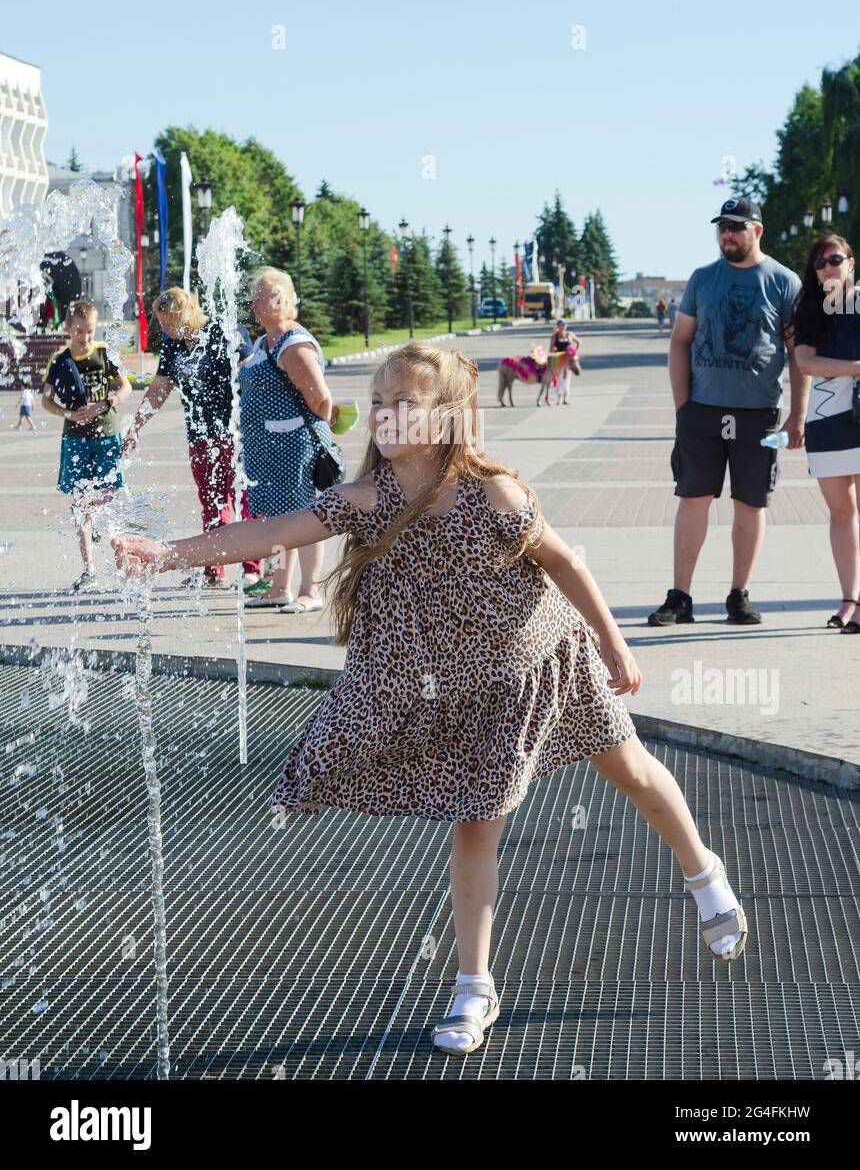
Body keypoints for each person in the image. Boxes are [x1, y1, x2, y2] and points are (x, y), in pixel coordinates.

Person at [114, 340, 749, 1060]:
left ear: (446, 417)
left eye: (402, 403)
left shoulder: (496, 495)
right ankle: (474, 986)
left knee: (628, 770)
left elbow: (565, 562)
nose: (383, 414)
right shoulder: (369, 499)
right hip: (470, 688)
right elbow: (265, 532)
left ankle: (703, 870)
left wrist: (614, 643)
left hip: (543, 660)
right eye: (378, 402)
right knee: (477, 817)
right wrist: (166, 554)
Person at [648, 197, 809, 627]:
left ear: (757, 230)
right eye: (722, 227)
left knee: (750, 503)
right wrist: (683, 404)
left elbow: (798, 353)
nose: (727, 234)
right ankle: (680, 596)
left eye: (737, 227)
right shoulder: (703, 279)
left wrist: (797, 413)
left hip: (759, 413)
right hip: (702, 410)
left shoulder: (784, 282)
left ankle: (739, 595)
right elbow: (681, 340)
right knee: (693, 499)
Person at [122, 287, 264, 593]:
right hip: (199, 434)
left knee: (242, 499)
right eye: (161, 324)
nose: (164, 329)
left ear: (184, 314)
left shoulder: (223, 331)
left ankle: (252, 569)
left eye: (168, 323)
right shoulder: (174, 346)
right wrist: (135, 426)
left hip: (234, 431)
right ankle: (214, 569)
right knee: (211, 502)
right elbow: (159, 389)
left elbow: (253, 370)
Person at [238, 267, 334, 611]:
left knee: (305, 519)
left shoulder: (294, 344)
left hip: (295, 449)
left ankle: (311, 590)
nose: (253, 303)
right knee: (277, 520)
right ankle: (280, 587)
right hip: (269, 449)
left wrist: (295, 426)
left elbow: (321, 400)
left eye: (258, 296)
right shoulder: (266, 341)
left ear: (278, 299)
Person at [791, 235, 860, 633]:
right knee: (840, 513)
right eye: (820, 263)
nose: (828, 268)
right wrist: (856, 367)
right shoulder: (811, 308)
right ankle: (848, 597)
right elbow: (805, 362)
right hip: (827, 422)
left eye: (835, 259)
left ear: (851, 262)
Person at [42, 299, 132, 591]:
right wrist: (68, 413)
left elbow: (125, 386)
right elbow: (45, 400)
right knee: (78, 502)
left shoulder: (103, 355)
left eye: (90, 331)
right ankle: (89, 569)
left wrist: (108, 402)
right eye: (79, 331)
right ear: (68, 328)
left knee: (111, 492)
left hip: (107, 433)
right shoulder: (59, 361)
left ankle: (91, 515)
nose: (85, 338)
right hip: (76, 438)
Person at [549, 319, 582, 404]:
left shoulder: (570, 334)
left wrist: (574, 351)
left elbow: (578, 342)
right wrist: (554, 349)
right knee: (558, 378)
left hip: (568, 360)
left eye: (564, 325)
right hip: (557, 360)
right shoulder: (554, 336)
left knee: (567, 378)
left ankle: (565, 398)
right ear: (557, 326)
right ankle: (559, 398)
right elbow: (550, 349)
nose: (563, 326)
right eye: (561, 325)